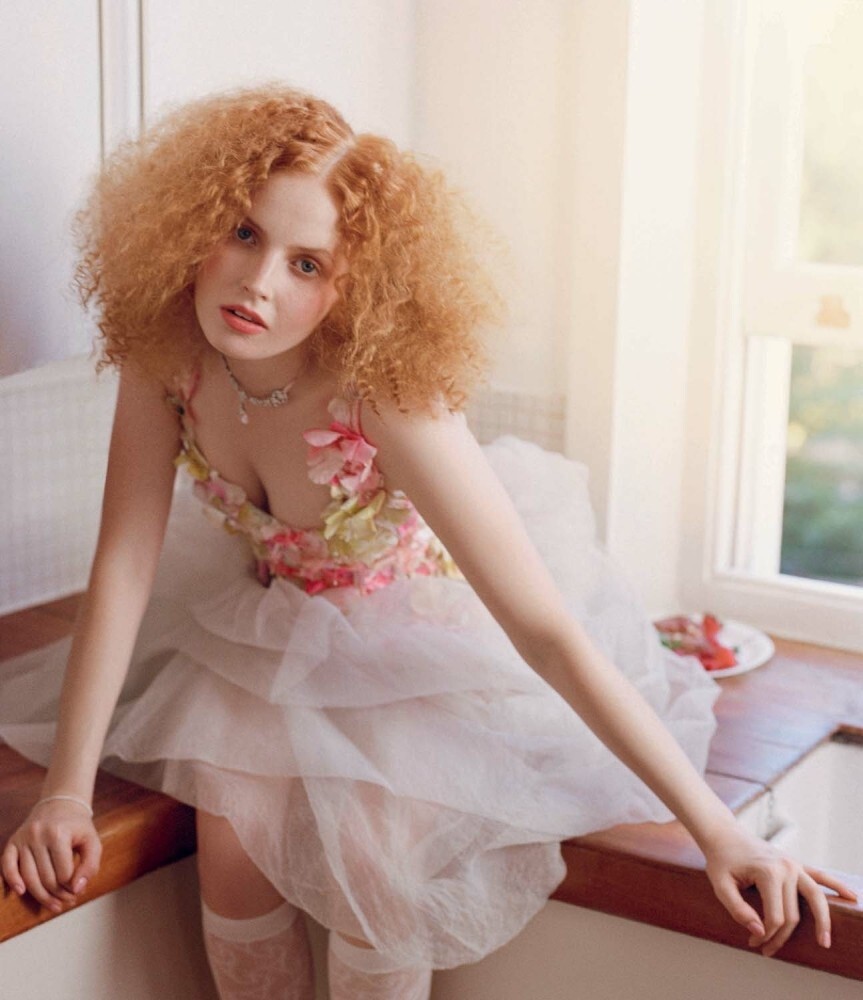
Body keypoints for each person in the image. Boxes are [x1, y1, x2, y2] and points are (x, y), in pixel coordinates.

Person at [0, 86, 855, 1000]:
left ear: (352, 288)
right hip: (264, 628)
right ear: (195, 220)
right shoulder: (168, 353)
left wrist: (718, 831)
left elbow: (545, 633)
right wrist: (65, 796)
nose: (257, 282)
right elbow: (124, 567)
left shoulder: (383, 398)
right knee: (232, 845)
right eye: (243, 233)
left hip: (418, 642)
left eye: (306, 264)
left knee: (378, 869)